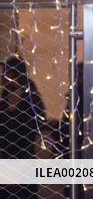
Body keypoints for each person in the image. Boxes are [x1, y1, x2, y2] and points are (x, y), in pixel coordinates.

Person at [0, 55, 46, 199]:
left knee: (24, 192)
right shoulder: (5, 94)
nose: (3, 78)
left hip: (24, 154)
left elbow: (37, 120)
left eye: (6, 74)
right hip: (6, 155)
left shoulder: (30, 95)